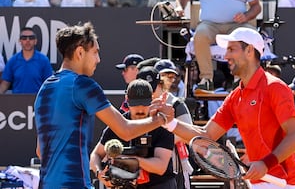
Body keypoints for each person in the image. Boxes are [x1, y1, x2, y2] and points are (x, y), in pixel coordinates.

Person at [34, 22, 174, 189]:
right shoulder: (82, 84)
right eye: (95, 52)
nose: (98, 59)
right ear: (80, 52)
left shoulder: (45, 88)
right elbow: (125, 130)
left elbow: (40, 151)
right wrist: (161, 119)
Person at [162, 27, 295, 189]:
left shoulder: (275, 87)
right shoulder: (235, 97)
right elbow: (206, 135)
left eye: (232, 49)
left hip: (286, 184)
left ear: (249, 51)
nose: (226, 56)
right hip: (259, 183)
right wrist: (169, 122)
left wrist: (266, 164)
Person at [90, 79, 176, 189]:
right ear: (127, 100)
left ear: (152, 100)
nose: (140, 109)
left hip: (159, 184)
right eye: (135, 104)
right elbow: (95, 155)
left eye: (144, 104)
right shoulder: (118, 123)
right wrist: (99, 173)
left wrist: (128, 160)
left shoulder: (161, 124)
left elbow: (160, 167)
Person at [174, 0, 261, 91]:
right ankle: (206, 79)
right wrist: (179, 7)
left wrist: (246, 16)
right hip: (210, 24)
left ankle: (240, 78)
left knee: (246, 36)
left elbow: (256, 6)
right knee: (200, 35)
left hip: (237, 24)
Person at [137, 66, 194, 189]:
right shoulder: (136, 106)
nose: (150, 93)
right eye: (145, 89)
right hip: (143, 170)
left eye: (152, 88)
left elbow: (189, 134)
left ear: (161, 84)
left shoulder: (175, 104)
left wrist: (159, 141)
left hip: (174, 168)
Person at [0, 27, 53, 94]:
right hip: (16, 101)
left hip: (37, 102)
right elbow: (5, 83)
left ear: (35, 41)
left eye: (31, 38)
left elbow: (49, 85)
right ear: (20, 41)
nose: (27, 40)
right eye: (24, 38)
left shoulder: (44, 61)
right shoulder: (13, 61)